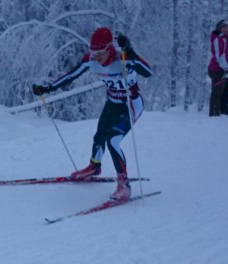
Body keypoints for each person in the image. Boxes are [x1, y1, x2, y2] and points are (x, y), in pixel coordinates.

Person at [32, 27, 153, 201]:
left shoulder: (123, 59)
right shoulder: (91, 60)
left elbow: (148, 72)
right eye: (93, 52)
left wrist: (131, 52)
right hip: (113, 102)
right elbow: (70, 75)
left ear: (109, 48)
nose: (96, 56)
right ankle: (94, 167)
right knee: (99, 136)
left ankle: (123, 185)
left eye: (100, 52)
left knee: (113, 140)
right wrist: (48, 88)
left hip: (130, 105)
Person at [208, 19, 228, 117]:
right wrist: (226, 68)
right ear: (219, 28)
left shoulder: (223, 39)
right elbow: (219, 56)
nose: (227, 29)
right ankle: (214, 115)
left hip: (220, 69)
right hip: (217, 70)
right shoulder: (218, 39)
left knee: (219, 92)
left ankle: (215, 114)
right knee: (217, 93)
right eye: (224, 27)